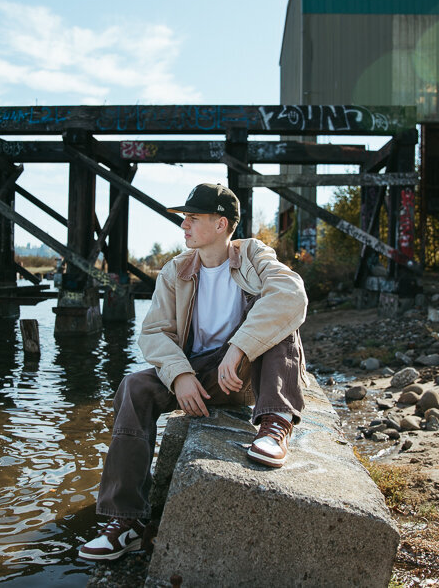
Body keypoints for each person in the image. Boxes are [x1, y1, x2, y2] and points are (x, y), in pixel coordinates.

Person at [78, 183, 308, 561]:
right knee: (134, 386)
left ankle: (275, 425)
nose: (183, 225)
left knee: (283, 326)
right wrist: (180, 374)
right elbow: (153, 332)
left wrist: (240, 346)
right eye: (183, 218)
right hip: (200, 377)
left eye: (192, 218)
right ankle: (126, 523)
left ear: (221, 224)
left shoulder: (253, 254)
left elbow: (291, 294)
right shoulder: (176, 269)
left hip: (245, 374)